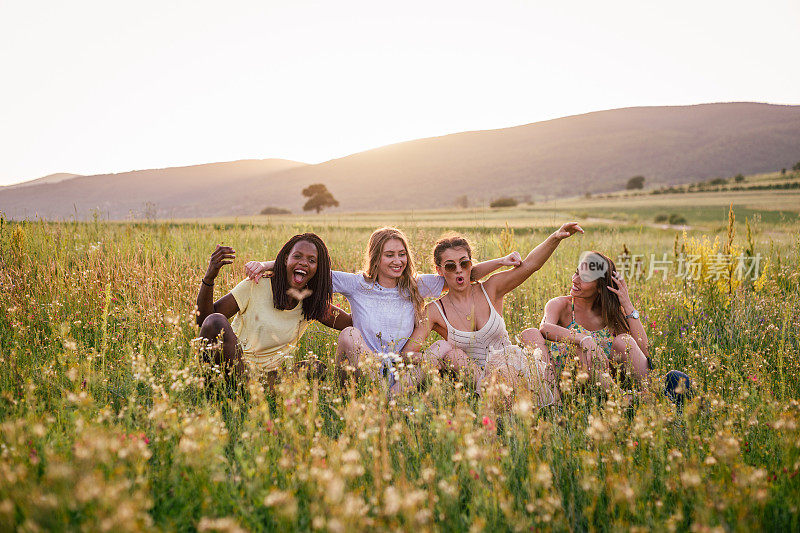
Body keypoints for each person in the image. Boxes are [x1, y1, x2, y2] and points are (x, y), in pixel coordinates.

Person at [244, 227, 520, 391]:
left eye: (401, 254)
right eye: (389, 255)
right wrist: (267, 265)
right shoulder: (357, 284)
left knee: (443, 348)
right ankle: (381, 394)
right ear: (376, 258)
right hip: (367, 365)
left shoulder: (416, 285)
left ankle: (394, 397)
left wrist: (501, 261)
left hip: (402, 365)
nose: (397, 261)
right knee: (348, 334)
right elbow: (310, 269)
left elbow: (462, 273)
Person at [402, 222, 584, 405]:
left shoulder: (491, 288)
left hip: (513, 364)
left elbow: (530, 265)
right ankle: (500, 402)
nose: (459, 269)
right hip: (479, 378)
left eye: (464, 263)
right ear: (439, 270)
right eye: (450, 266)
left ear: (471, 264)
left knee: (530, 334)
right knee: (453, 355)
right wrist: (437, 359)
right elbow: (407, 353)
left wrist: (555, 237)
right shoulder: (435, 310)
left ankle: (554, 404)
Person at [196, 233, 351, 384]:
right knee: (216, 320)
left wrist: (364, 289)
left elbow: (350, 323)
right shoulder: (256, 284)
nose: (304, 263)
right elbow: (204, 321)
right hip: (235, 366)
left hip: (269, 378)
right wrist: (210, 277)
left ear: (318, 269)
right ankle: (245, 387)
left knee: (315, 367)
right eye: (297, 256)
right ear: (285, 259)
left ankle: (256, 389)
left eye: (311, 260)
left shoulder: (311, 302)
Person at [538, 251, 650, 390]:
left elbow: (644, 353)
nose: (575, 279)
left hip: (606, 386)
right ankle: (622, 399)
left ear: (599, 287)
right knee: (580, 349)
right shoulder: (561, 305)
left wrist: (627, 304)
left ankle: (651, 395)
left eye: (584, 277)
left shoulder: (611, 314)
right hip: (572, 387)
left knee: (624, 340)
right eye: (576, 272)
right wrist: (584, 339)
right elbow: (544, 328)